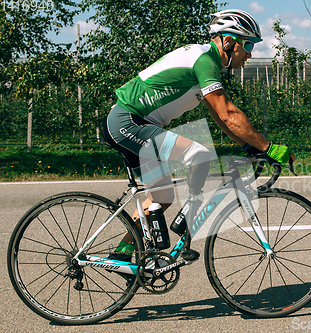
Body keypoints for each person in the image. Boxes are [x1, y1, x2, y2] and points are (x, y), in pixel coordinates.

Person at [102, 9, 294, 262]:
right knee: (199, 154)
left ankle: (122, 254)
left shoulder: (205, 60)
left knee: (162, 197)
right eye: (247, 44)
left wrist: (249, 147)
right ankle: (185, 228)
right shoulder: (204, 61)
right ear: (228, 42)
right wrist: (269, 148)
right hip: (129, 123)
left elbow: (219, 115)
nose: (250, 53)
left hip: (129, 124)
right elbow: (227, 114)